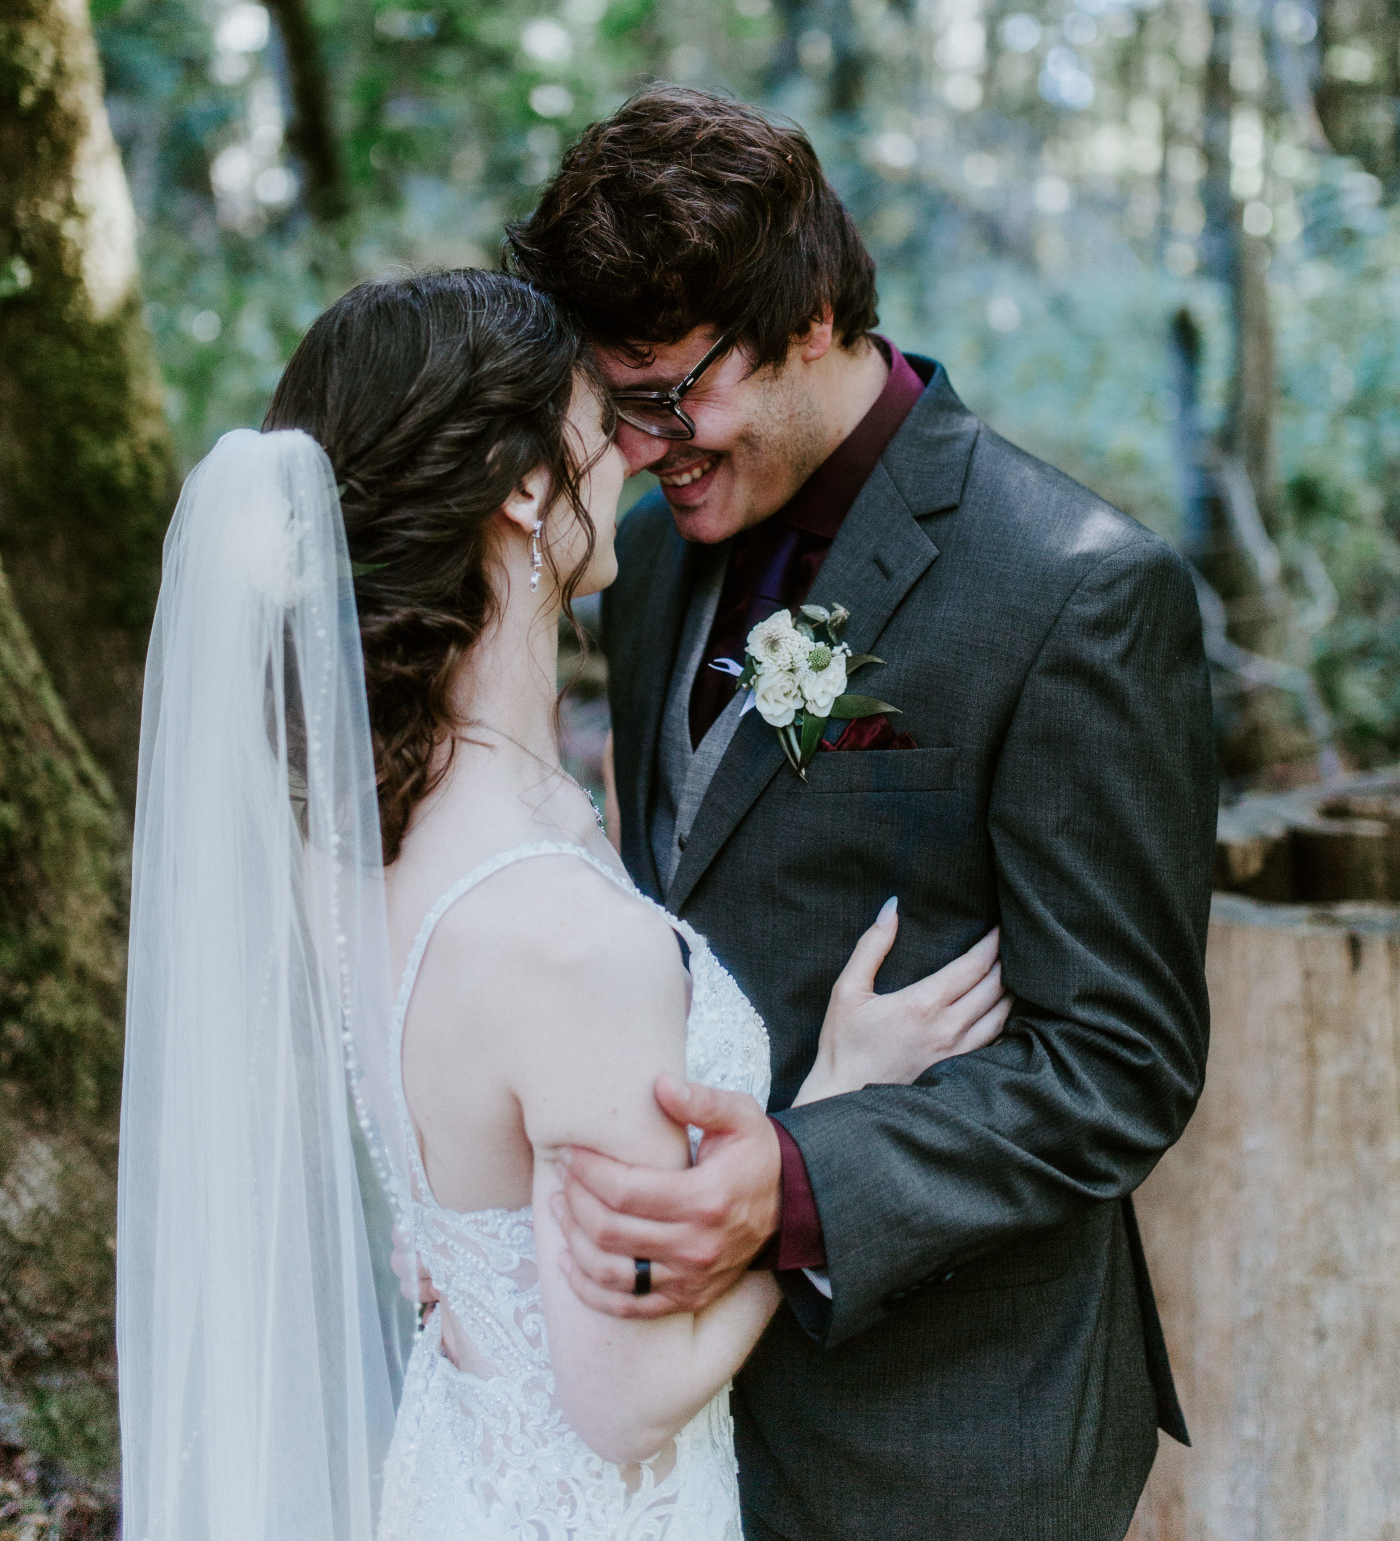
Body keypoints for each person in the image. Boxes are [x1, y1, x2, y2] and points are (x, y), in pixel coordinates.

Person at [116, 268, 1010, 1541]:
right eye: (603, 419)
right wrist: (834, 1115)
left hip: (454, 1466)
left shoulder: (365, 839)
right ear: (528, 486)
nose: (640, 452)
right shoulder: (562, 940)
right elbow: (626, 1396)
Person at [506, 86, 1219, 1541]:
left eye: (670, 393)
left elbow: (1122, 1062)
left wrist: (805, 1182)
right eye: (615, 405)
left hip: (955, 1432)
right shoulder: (647, 565)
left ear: (815, 311)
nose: (644, 450)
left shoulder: (1077, 589)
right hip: (698, 1409)